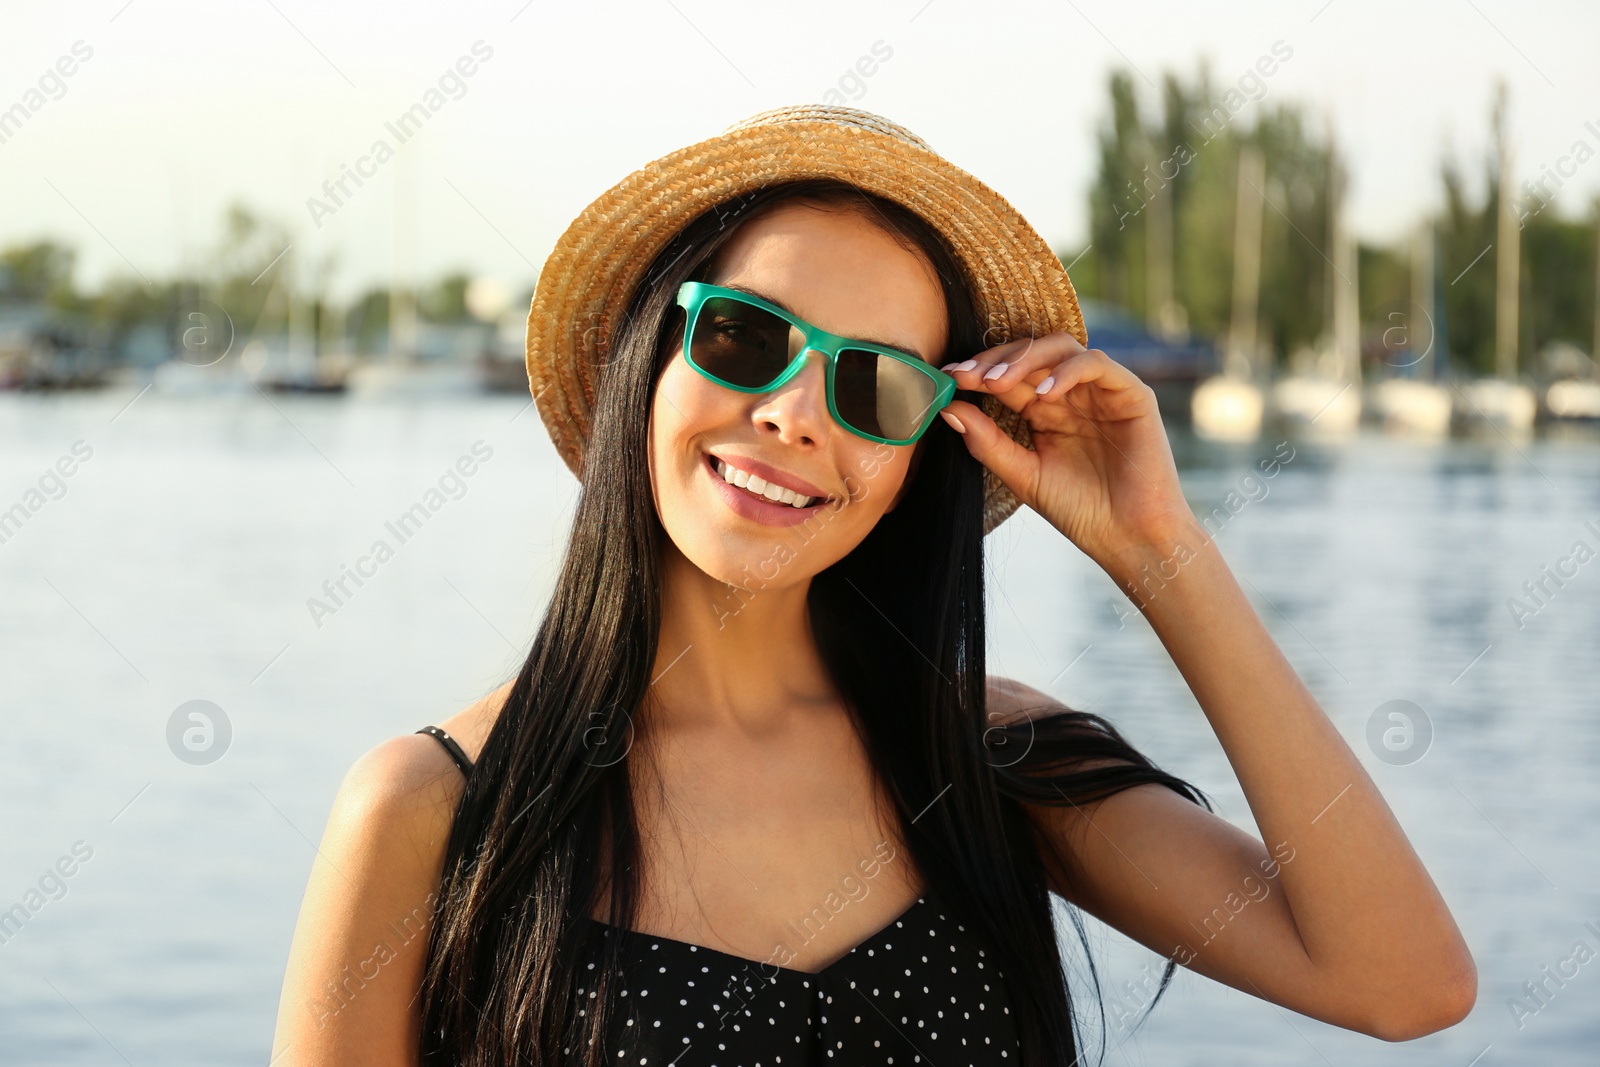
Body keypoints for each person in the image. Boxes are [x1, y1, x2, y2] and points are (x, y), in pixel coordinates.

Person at [270, 106, 1476, 1066]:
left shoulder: (984, 757)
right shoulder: (431, 810)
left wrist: (1157, 550)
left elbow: (1401, 982)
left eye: (875, 386)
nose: (794, 413)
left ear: (922, 451)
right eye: (745, 337)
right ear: (652, 351)